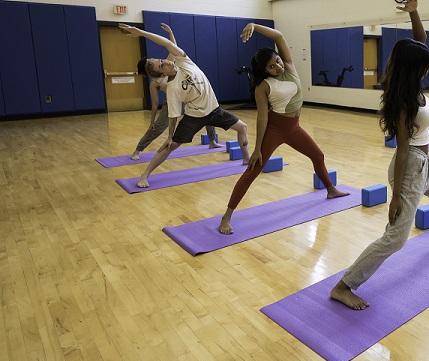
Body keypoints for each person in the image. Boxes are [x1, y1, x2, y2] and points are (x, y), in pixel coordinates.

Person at [330, 0, 429, 310]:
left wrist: (414, 12)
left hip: (425, 163)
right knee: (395, 238)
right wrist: (395, 197)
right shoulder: (404, 102)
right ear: (413, 69)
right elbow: (403, 149)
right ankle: (343, 286)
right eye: (425, 65)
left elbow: (420, 42)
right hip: (409, 168)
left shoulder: (411, 82)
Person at [218, 22, 349, 235]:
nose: (277, 67)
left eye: (277, 61)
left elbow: (278, 35)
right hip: (275, 128)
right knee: (253, 171)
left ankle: (331, 190)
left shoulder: (288, 65)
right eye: (271, 66)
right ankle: (226, 216)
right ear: (264, 70)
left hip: (294, 128)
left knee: (318, 155)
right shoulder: (263, 87)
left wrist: (253, 25)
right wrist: (257, 149)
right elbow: (262, 118)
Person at [118, 23, 251, 188]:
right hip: (194, 117)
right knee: (170, 147)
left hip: (215, 110)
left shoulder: (183, 62)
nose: (166, 63)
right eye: (162, 66)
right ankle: (145, 175)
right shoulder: (172, 88)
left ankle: (247, 159)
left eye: (162, 61)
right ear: (162, 74)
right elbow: (173, 115)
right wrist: (169, 136)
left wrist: (141, 32)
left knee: (242, 127)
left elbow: (167, 43)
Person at [130, 23, 220, 160]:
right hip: (172, 103)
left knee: (208, 113)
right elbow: (155, 104)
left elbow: (173, 47)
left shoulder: (166, 64)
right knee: (158, 129)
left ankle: (212, 141)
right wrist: (152, 122)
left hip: (188, 98)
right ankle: (137, 150)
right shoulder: (155, 82)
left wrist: (170, 32)